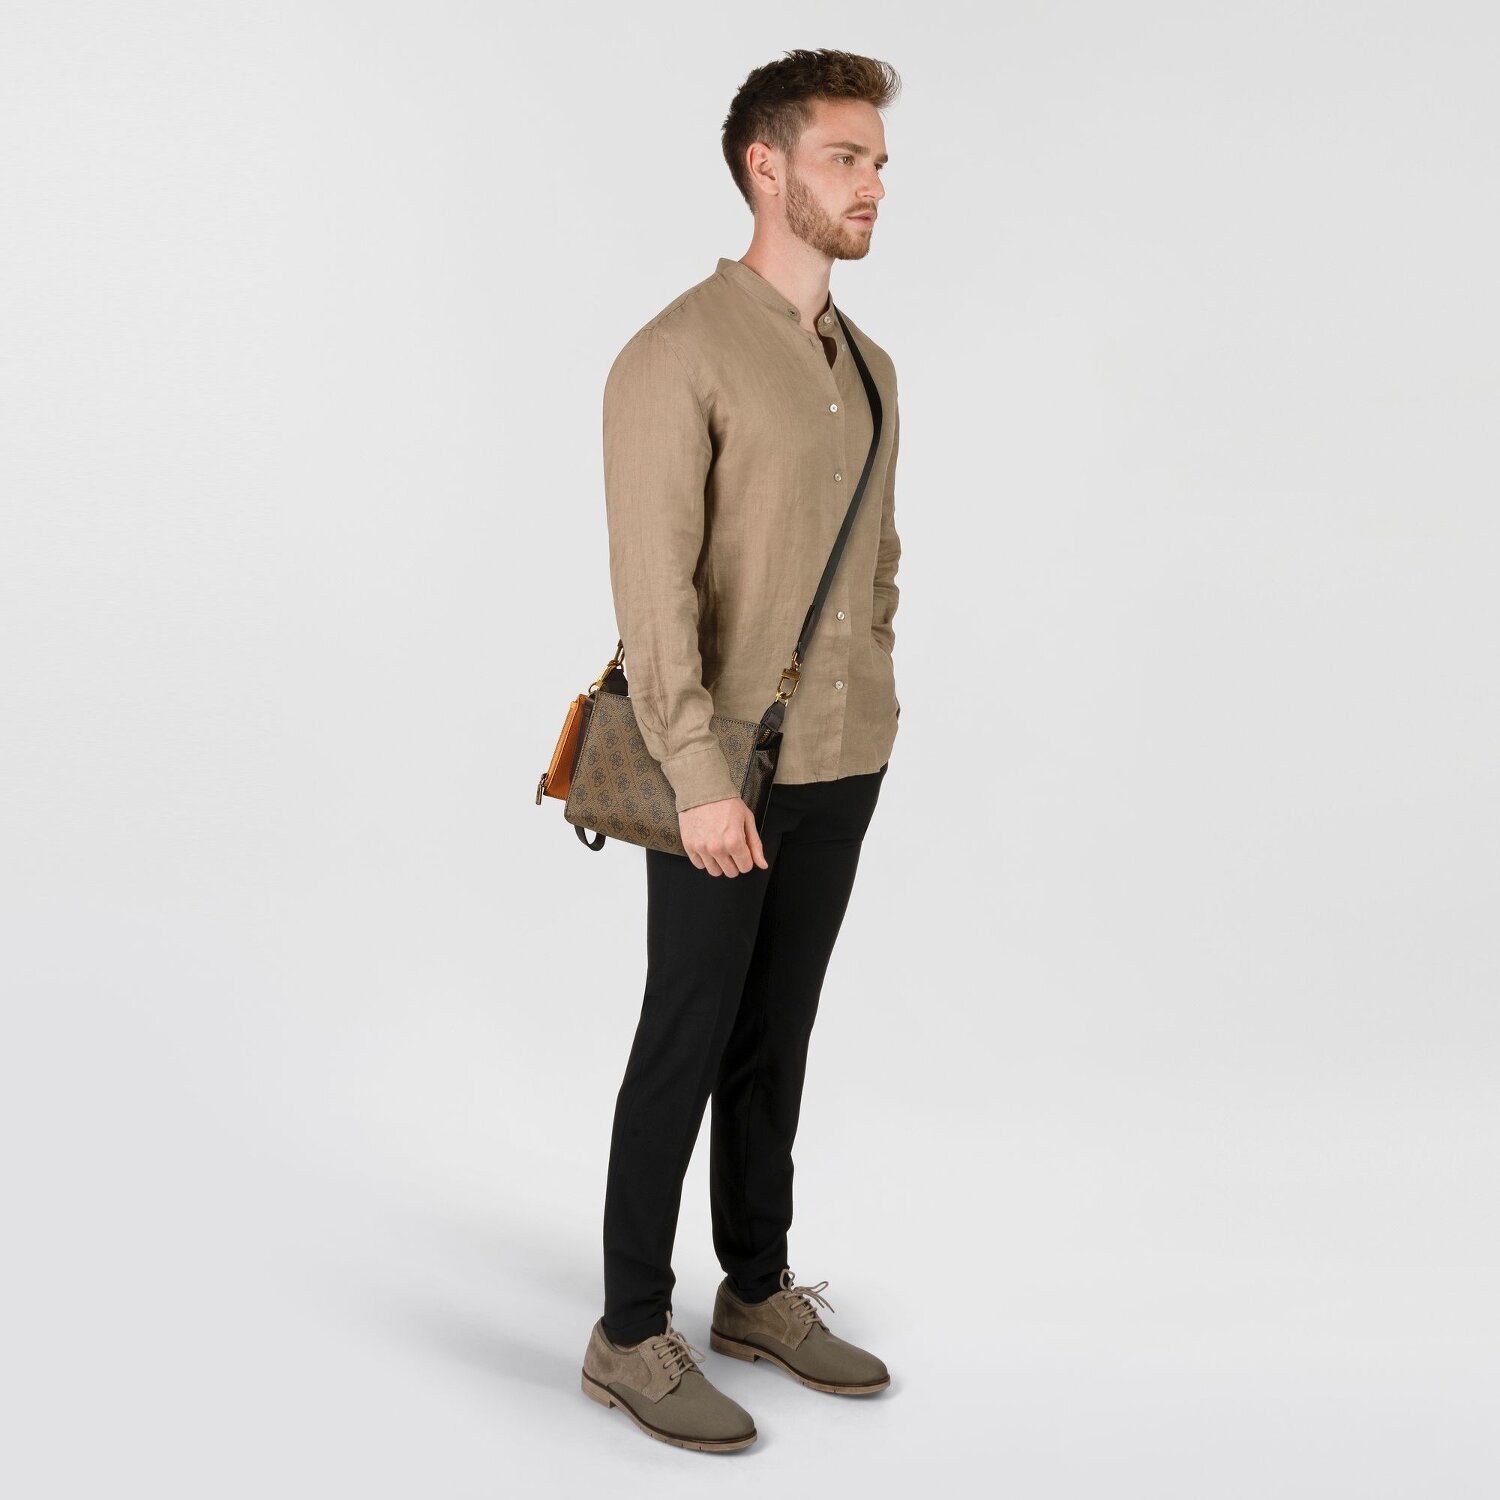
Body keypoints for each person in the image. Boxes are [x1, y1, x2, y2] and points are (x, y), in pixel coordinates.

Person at [578, 48, 906, 1453]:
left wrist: (875, 693)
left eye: (879, 162)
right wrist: (700, 782)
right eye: (846, 158)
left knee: (779, 1034)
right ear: (767, 169)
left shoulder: (871, 368)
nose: (873, 185)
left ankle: (756, 1289)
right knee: (687, 1033)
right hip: (719, 770)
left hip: (844, 753)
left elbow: (877, 565)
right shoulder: (674, 355)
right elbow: (655, 600)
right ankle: (627, 1332)